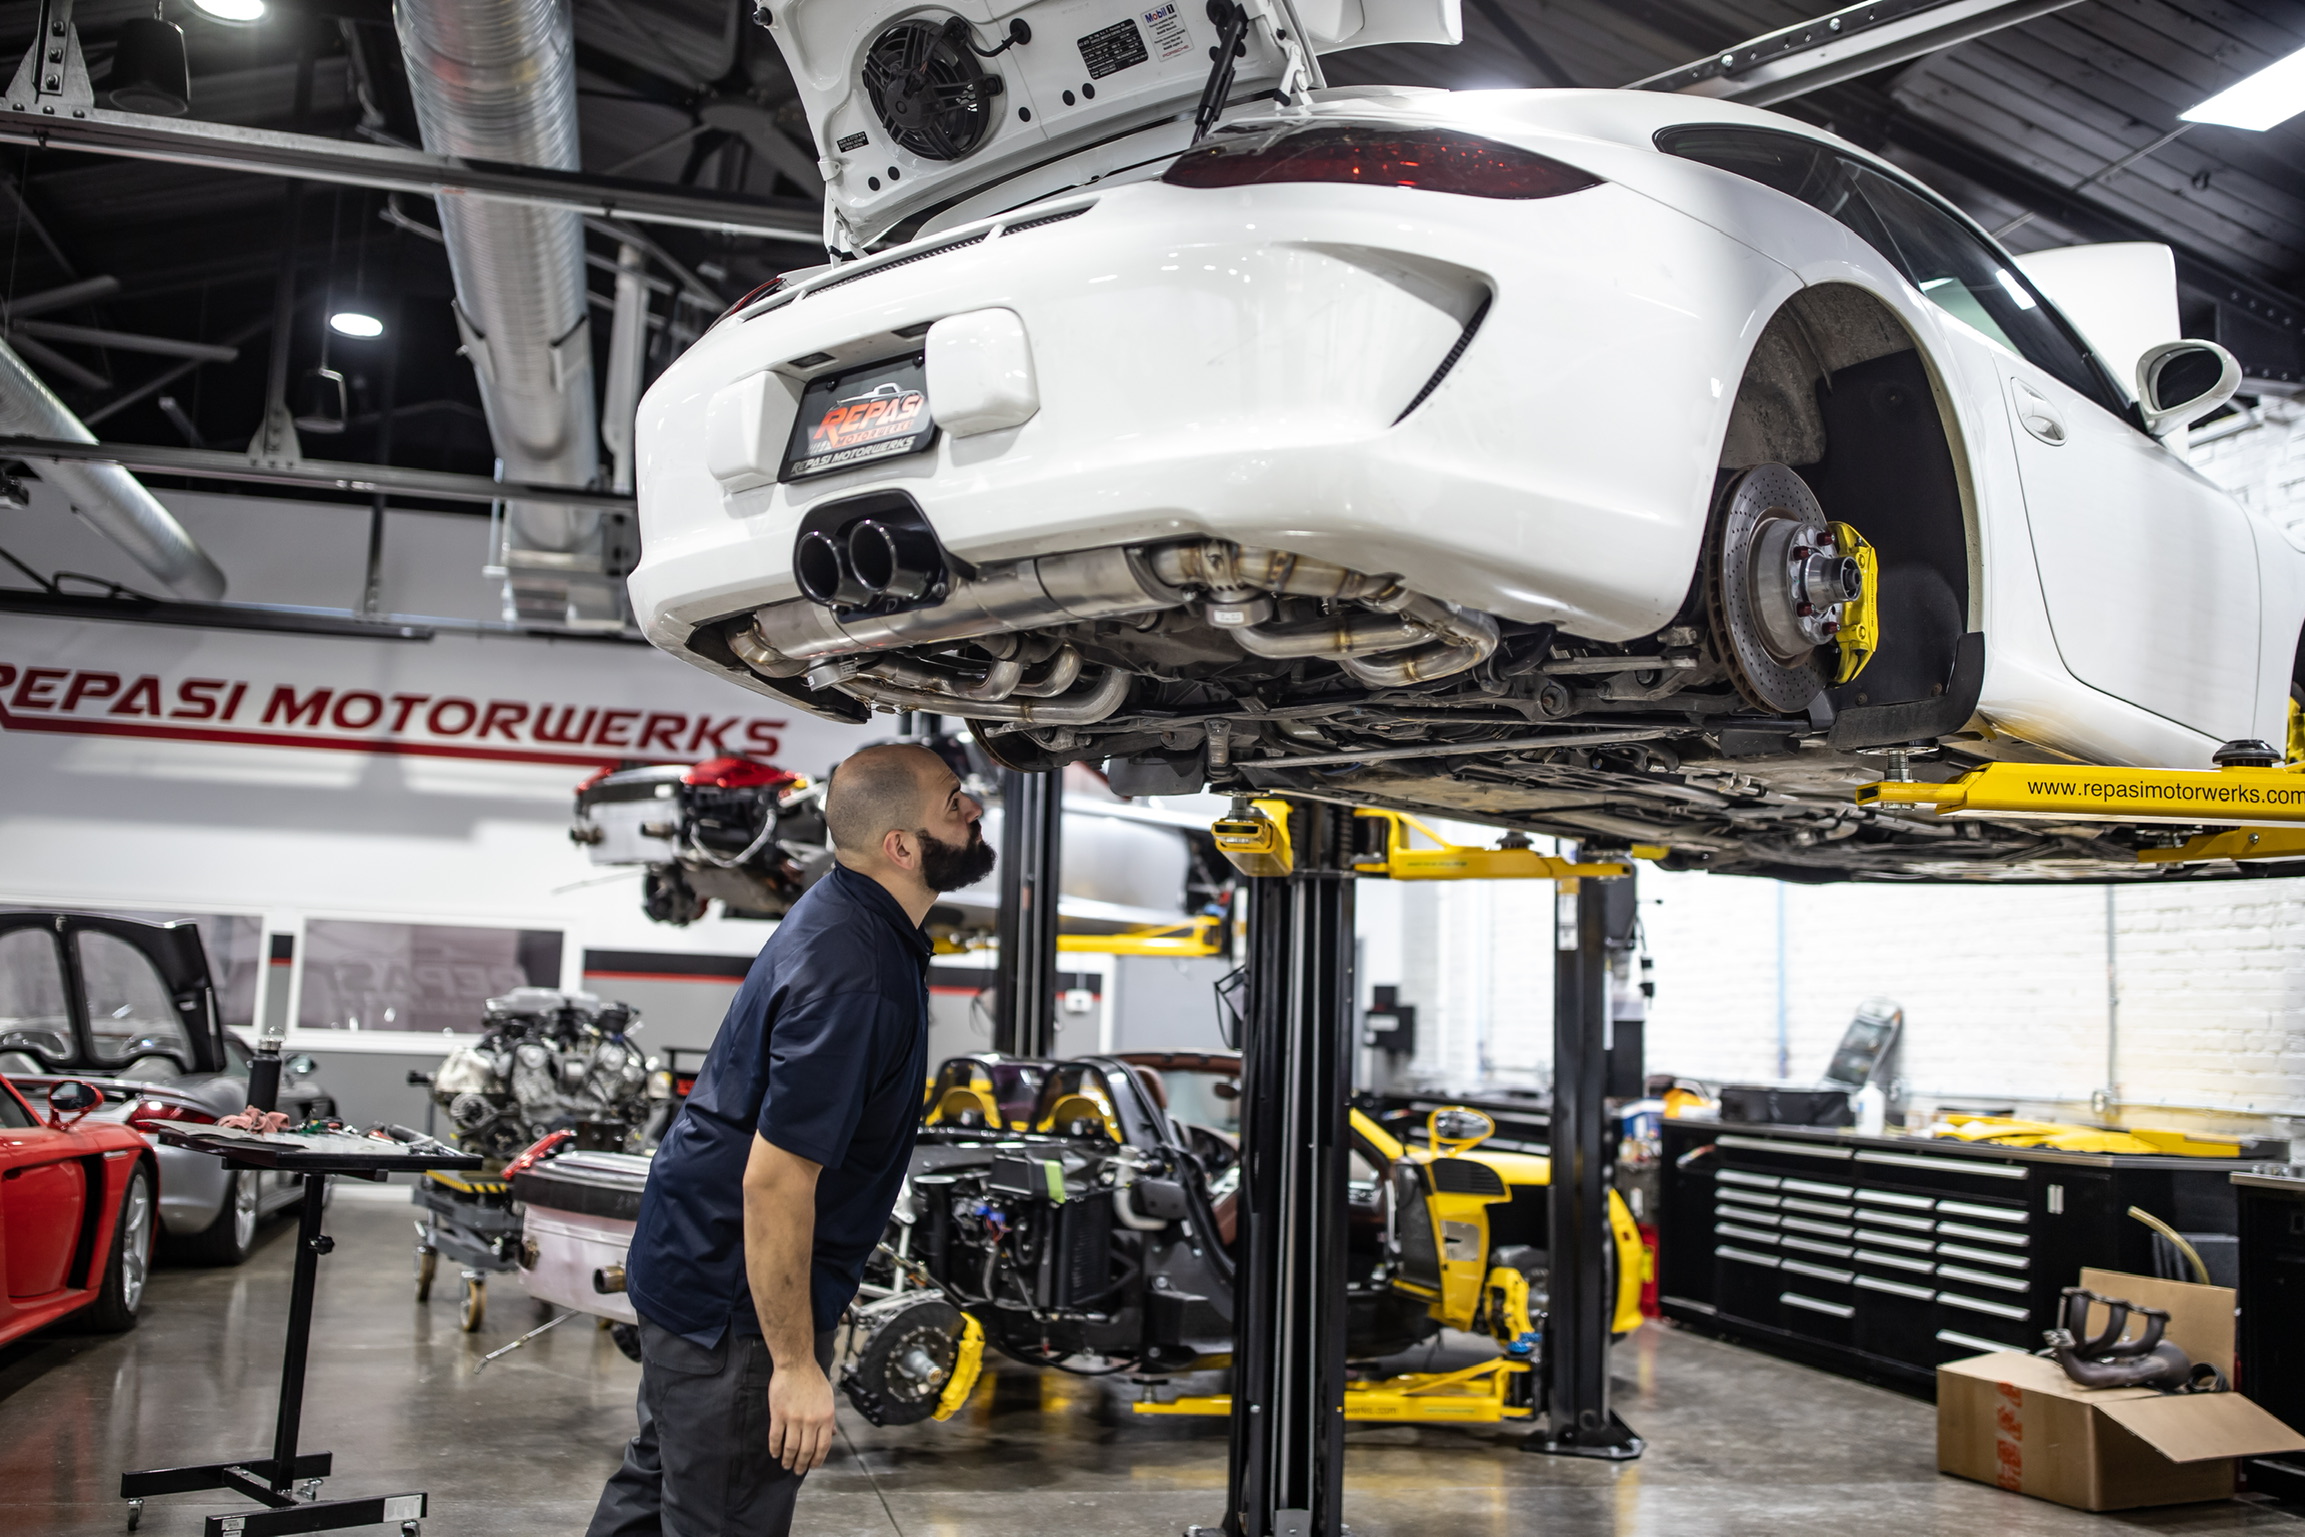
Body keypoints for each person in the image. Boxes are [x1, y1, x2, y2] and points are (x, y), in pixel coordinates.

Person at [587, 742, 993, 1537]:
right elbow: (774, 1182)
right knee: (724, 1515)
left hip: (691, 1272)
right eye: (954, 801)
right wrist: (795, 1362)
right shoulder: (857, 973)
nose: (973, 808)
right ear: (900, 847)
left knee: (657, 1490)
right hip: (731, 1308)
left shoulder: (848, 911)